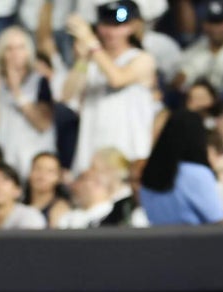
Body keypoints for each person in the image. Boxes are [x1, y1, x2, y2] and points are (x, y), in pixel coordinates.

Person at [64, 1, 157, 174]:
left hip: (129, 153)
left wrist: (91, 43)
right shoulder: (92, 60)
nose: (111, 32)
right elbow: (67, 95)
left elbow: (117, 79)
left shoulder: (141, 59)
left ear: (131, 27)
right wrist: (82, 60)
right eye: (106, 25)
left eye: (118, 26)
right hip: (90, 154)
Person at [0, 25, 55, 179]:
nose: (15, 54)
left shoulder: (40, 82)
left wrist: (17, 92)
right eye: (9, 49)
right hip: (3, 161)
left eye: (20, 48)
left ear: (28, 51)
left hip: (33, 162)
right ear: (1, 53)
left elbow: (42, 124)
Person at [138, 109, 223, 225]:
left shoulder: (148, 173)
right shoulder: (196, 174)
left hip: (158, 241)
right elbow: (217, 221)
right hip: (196, 241)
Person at [24, 151, 71, 227]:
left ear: (59, 178)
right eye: (38, 168)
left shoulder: (60, 209)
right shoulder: (18, 205)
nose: (42, 175)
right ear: (29, 173)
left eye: (50, 171)